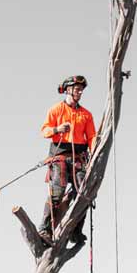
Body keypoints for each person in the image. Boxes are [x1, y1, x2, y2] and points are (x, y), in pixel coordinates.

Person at [39, 75, 97, 245]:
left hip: (79, 158)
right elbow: (44, 130)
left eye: (81, 89)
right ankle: (45, 229)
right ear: (68, 89)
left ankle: (75, 231)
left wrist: (93, 152)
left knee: (86, 192)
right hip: (60, 157)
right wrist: (57, 129)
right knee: (57, 190)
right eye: (77, 88)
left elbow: (91, 136)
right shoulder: (56, 109)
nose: (80, 92)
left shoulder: (86, 114)